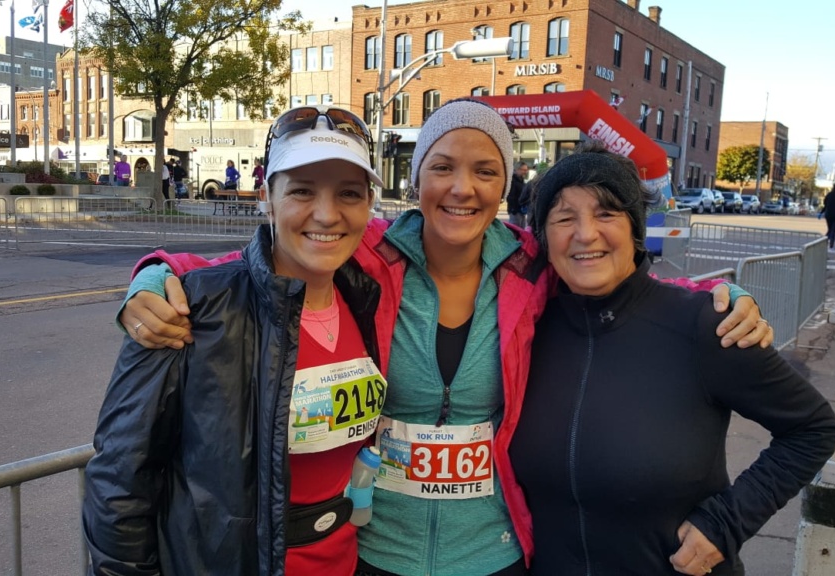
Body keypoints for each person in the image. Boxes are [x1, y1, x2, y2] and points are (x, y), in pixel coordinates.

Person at [116, 100, 772, 576]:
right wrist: (153, 272)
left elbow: (615, 280)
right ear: (416, 178)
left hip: (493, 551)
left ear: (506, 185)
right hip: (375, 550)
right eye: (443, 167)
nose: (463, 188)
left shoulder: (531, 267)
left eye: (485, 170)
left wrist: (723, 298)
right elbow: (261, 262)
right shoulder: (365, 255)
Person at [83, 107, 389, 575]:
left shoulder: (366, 294)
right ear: (266, 196)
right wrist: (154, 269)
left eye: (348, 193)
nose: (327, 214)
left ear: (369, 204)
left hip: (344, 561)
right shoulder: (190, 309)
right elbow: (119, 483)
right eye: (302, 190)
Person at [509, 147, 835, 576]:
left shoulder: (705, 325)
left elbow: (812, 428)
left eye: (607, 213)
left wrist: (726, 523)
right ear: (543, 237)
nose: (585, 233)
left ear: (636, 229)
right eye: (564, 217)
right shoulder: (526, 333)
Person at [506, 161, 529, 227]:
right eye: (524, 170)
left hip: (521, 210)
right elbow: (510, 196)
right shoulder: (512, 181)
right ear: (517, 169)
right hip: (515, 210)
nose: (525, 172)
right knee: (515, 230)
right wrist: (514, 209)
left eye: (526, 170)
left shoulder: (521, 180)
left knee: (521, 229)